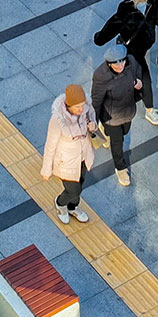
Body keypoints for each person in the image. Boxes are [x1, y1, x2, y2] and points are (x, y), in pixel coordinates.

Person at [95, 0, 158, 123]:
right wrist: (99, 38)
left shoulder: (153, 2)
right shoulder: (127, 7)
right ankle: (149, 110)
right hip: (130, 50)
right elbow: (113, 25)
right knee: (144, 78)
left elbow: (157, 18)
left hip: (142, 47)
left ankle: (114, 104)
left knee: (128, 80)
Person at [39, 84, 99, 225]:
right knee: (73, 190)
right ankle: (60, 204)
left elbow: (93, 120)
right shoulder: (57, 120)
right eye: (77, 107)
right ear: (68, 105)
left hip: (83, 156)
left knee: (80, 185)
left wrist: (93, 125)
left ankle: (73, 207)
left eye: (83, 105)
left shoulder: (86, 109)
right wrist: (46, 169)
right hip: (66, 161)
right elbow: (50, 145)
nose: (81, 109)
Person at [92, 45, 147, 187]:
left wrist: (138, 81)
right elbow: (96, 100)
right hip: (111, 116)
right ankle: (120, 168)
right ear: (109, 64)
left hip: (128, 110)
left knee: (125, 131)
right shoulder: (101, 76)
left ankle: (106, 131)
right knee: (117, 142)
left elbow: (138, 72)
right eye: (116, 64)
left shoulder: (131, 61)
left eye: (122, 61)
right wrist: (93, 120)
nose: (120, 66)